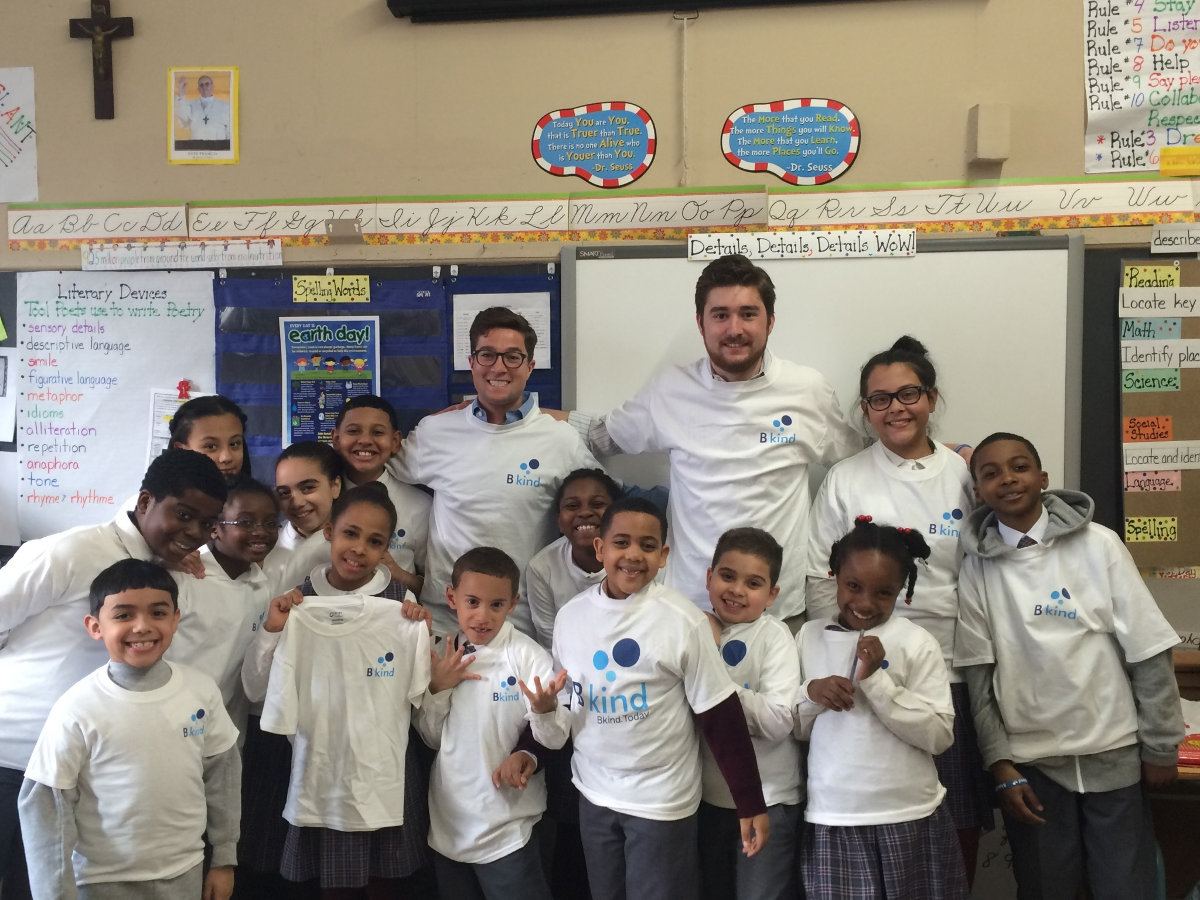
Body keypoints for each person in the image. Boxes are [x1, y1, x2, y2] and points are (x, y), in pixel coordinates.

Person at [564, 254, 862, 621]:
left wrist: (940, 451)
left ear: (770, 322)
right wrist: (520, 411)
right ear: (700, 323)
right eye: (720, 315)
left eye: (748, 314)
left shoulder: (807, 390)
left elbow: (863, 462)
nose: (734, 328)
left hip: (777, 612)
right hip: (688, 609)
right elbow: (601, 436)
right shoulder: (671, 388)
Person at [955, 432, 1184, 899]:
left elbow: (1148, 648)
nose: (1007, 479)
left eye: (1019, 467)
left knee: (1126, 887)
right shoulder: (977, 566)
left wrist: (1161, 746)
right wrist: (1000, 764)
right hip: (1033, 767)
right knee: (1046, 887)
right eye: (991, 473)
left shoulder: (1099, 545)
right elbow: (979, 675)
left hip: (1114, 753)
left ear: (1043, 478)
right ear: (978, 491)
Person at [804, 336, 992, 883]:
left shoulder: (965, 475)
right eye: (879, 399)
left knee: (954, 818)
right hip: (859, 669)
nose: (895, 409)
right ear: (865, 411)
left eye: (908, 393)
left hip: (952, 666)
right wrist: (841, 655)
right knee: (870, 816)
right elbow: (819, 577)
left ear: (931, 398)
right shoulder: (846, 477)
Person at [0, 449, 227, 895]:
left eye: (206, 524)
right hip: (13, 756)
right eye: (183, 515)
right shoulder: (69, 552)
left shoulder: (171, 574)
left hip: (86, 773)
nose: (194, 534)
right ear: (145, 503)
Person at [552, 497, 769, 900]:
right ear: (600, 549)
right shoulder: (570, 617)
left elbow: (721, 716)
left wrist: (749, 801)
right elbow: (568, 701)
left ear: (664, 555)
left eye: (647, 545)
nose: (633, 555)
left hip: (659, 800)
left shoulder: (682, 620)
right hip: (593, 793)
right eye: (621, 542)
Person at [242, 483, 432, 899]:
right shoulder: (298, 602)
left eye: (375, 541)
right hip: (319, 766)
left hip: (383, 766)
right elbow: (256, 690)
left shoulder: (402, 606)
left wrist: (419, 635)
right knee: (333, 884)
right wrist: (274, 629)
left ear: (386, 549)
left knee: (389, 880)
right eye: (350, 533)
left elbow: (423, 699)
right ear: (329, 531)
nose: (359, 548)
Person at [19, 559, 240, 900]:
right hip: (100, 883)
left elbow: (222, 776)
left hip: (185, 875)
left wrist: (224, 859)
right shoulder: (77, 707)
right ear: (95, 626)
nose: (142, 627)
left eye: (158, 612)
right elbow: (45, 808)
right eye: (123, 615)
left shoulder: (201, 691)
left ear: (176, 619)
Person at [390, 306, 603, 638]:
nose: (499, 367)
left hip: (522, 627)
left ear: (530, 367)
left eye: (513, 357)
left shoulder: (560, 440)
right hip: (444, 625)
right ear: (472, 362)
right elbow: (373, 465)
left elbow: (608, 507)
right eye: (487, 355)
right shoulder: (436, 431)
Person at [796, 517, 967, 900]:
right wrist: (813, 693)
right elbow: (796, 728)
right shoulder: (809, 636)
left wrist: (875, 682)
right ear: (834, 575)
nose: (865, 603)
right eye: (852, 586)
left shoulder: (915, 642)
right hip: (834, 816)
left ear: (902, 591)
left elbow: (940, 736)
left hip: (910, 813)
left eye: (883, 593)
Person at [415, 547, 569, 900]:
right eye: (472, 602)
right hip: (449, 821)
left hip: (508, 825)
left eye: (496, 605)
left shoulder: (527, 655)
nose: (482, 615)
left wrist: (545, 711)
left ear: (513, 603)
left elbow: (556, 738)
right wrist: (438, 689)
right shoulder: (444, 652)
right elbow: (432, 738)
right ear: (452, 598)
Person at [697, 528, 801, 900]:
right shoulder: (691, 630)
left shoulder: (774, 637)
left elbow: (776, 721)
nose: (737, 590)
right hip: (707, 801)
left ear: (772, 595)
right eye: (727, 576)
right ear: (709, 578)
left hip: (769, 799)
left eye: (753, 583)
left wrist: (711, 669)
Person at [167, 478, 279, 733]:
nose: (260, 531)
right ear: (215, 528)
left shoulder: (262, 587)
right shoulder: (185, 576)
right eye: (246, 522)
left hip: (226, 729)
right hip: (172, 725)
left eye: (270, 523)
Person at [330, 394, 431, 597]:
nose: (365, 440)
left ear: (395, 441)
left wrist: (397, 574)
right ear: (336, 439)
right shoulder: (322, 500)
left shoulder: (419, 505)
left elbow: (434, 589)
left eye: (377, 432)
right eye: (353, 431)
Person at [525, 468, 620, 649]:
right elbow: (551, 642)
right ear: (559, 521)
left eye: (597, 503)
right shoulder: (542, 568)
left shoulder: (636, 560)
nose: (584, 513)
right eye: (572, 506)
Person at [169, 394, 252, 484]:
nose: (226, 458)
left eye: (234, 444)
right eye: (210, 446)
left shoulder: (259, 496)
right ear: (180, 449)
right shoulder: (158, 497)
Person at [174, 73, 231, 144]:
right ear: (198, 89)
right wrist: (181, 93)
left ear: (212, 86)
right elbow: (182, 116)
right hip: (196, 147)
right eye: (201, 85)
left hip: (218, 147)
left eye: (207, 84)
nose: (204, 87)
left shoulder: (225, 106)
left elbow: (230, 130)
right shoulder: (190, 104)